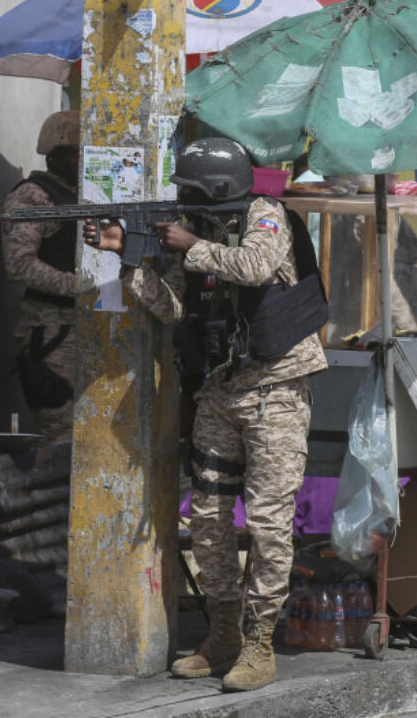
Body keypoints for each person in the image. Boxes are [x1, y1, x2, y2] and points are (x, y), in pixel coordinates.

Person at [84, 138, 327, 693]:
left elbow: (256, 266)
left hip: (276, 390)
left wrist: (191, 243)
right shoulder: (188, 228)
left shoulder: (266, 216)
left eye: (191, 190)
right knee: (211, 519)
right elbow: (170, 307)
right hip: (218, 390)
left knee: (267, 522)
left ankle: (261, 642)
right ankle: (224, 637)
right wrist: (126, 258)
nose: (183, 198)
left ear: (215, 189)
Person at [0, 111, 82, 444]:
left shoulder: (80, 195)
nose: (86, 161)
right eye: (81, 153)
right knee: (62, 434)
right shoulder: (32, 196)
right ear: (59, 154)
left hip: (79, 327)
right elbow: (18, 265)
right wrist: (80, 287)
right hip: (49, 331)